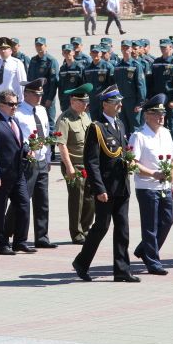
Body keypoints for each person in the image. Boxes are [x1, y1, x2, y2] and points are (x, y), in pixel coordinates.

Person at [72, 85, 138, 282]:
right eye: (116, 102)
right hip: (106, 189)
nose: (120, 105)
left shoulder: (120, 124)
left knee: (123, 229)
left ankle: (122, 270)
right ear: (105, 105)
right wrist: (99, 188)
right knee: (101, 227)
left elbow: (122, 152)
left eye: (120, 102)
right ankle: (81, 262)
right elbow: (91, 162)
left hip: (122, 186)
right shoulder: (97, 128)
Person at [129, 94, 173, 275]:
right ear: (146, 115)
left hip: (165, 187)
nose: (161, 117)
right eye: (157, 114)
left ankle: (144, 250)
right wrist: (153, 173)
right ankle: (153, 262)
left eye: (163, 113)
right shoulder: (139, 136)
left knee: (167, 221)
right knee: (150, 226)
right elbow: (132, 163)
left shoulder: (165, 133)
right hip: (147, 187)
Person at [5, 79, 56, 248]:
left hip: (41, 160)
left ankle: (42, 237)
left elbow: (46, 134)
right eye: (36, 94)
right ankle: (8, 231)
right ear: (26, 94)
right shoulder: (18, 113)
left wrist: (48, 158)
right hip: (27, 162)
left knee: (43, 201)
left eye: (41, 94)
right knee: (22, 200)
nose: (39, 97)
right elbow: (17, 137)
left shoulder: (41, 110)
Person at [0, 89, 35, 255]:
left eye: (16, 104)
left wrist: (26, 151)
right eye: (11, 104)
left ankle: (20, 241)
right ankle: (1, 244)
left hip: (18, 173)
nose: (15, 107)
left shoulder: (14, 121)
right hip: (2, 175)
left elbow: (18, 143)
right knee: (0, 209)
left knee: (24, 205)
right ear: (1, 104)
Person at [55, 83, 96, 244]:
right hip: (74, 165)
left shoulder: (85, 116)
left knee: (90, 199)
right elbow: (62, 145)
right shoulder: (64, 119)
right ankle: (77, 233)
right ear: (73, 101)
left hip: (88, 164)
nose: (86, 105)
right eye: (83, 102)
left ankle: (86, 229)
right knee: (76, 200)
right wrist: (69, 167)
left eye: (87, 102)